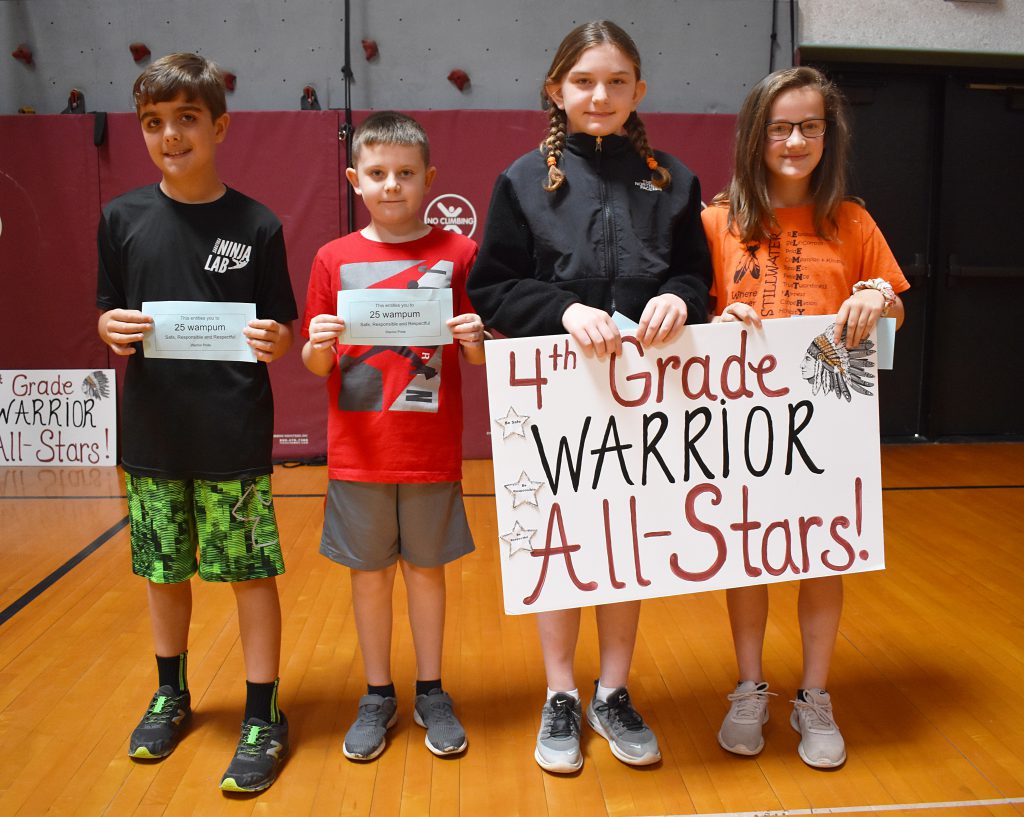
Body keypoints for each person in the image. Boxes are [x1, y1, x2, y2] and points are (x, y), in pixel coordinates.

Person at [468, 20, 712, 773]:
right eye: (582, 82)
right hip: (559, 406)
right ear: (555, 90)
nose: (598, 95)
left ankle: (612, 690)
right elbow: (492, 287)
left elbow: (696, 276)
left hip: (644, 400)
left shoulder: (672, 177)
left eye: (614, 81)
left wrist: (679, 297)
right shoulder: (520, 179)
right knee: (563, 547)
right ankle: (560, 694)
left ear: (638, 89)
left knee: (625, 547)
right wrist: (560, 309)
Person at [96, 52, 296, 793]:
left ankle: (263, 711)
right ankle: (171, 692)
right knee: (162, 573)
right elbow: (110, 315)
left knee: (248, 575)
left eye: (186, 120)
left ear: (219, 125)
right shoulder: (120, 218)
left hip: (231, 434)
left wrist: (274, 340)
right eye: (154, 123)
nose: (170, 136)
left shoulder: (258, 223)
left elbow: (278, 325)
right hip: (152, 433)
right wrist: (109, 328)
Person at [701, 65, 909, 769]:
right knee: (750, 559)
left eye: (810, 127)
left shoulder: (852, 220)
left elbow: (896, 308)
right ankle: (749, 688)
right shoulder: (716, 220)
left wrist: (879, 296)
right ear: (756, 133)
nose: (794, 140)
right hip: (743, 428)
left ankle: (814, 696)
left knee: (823, 560)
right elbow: (691, 315)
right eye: (780, 127)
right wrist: (715, 318)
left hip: (829, 430)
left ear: (829, 134)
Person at [301, 111, 486, 761]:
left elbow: (482, 357)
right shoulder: (333, 258)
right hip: (359, 453)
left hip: (430, 449)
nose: (391, 185)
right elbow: (316, 363)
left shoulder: (459, 255)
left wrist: (476, 340)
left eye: (406, 174)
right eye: (377, 174)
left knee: (427, 572)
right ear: (355, 179)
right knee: (370, 577)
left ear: (429, 179)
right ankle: (377, 692)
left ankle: (431, 689)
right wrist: (317, 346)